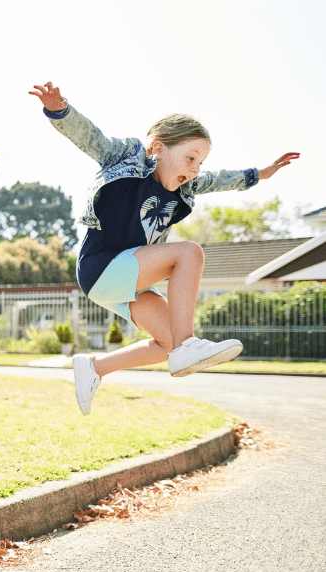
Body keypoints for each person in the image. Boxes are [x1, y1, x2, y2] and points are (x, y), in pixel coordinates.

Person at [28, 82, 299, 415]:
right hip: (101, 267)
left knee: (166, 342)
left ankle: (95, 368)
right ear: (157, 148)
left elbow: (218, 179)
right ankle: (188, 345)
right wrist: (60, 110)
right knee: (189, 253)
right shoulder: (127, 157)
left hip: (126, 283)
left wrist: (260, 174)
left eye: (200, 162)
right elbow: (90, 137)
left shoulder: (188, 187)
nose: (195, 169)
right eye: (190, 158)